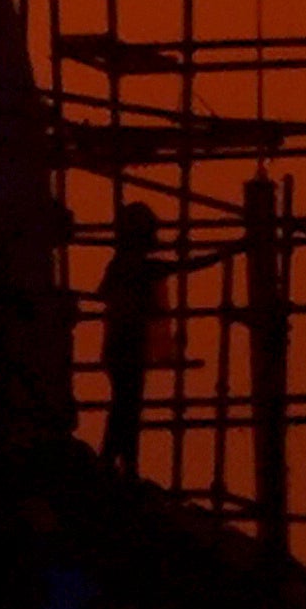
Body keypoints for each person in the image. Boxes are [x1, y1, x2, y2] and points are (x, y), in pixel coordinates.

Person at [97, 198, 168, 473]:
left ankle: (119, 462)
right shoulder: (133, 266)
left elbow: (104, 292)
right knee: (127, 406)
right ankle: (119, 461)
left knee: (125, 405)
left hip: (121, 344)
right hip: (126, 344)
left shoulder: (123, 264)